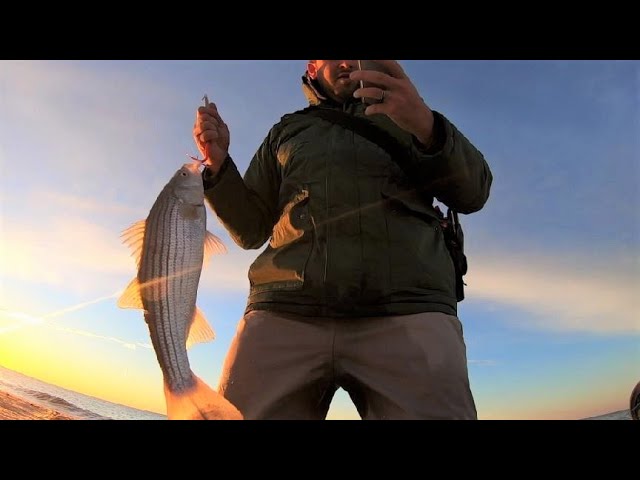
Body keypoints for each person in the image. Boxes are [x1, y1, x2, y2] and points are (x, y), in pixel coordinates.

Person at [192, 60, 493, 420]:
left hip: (409, 307)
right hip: (285, 309)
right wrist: (220, 166)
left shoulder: (411, 114)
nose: (348, 60)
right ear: (313, 66)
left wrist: (426, 125)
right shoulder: (286, 131)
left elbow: (474, 192)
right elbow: (250, 230)